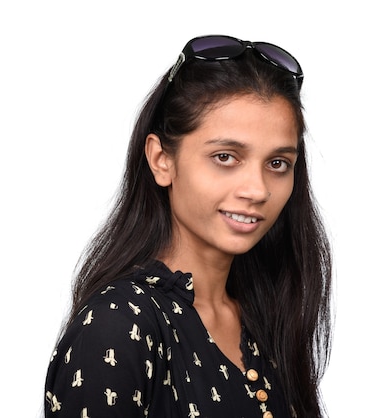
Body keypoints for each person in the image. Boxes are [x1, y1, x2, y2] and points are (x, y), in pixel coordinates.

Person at [44, 34, 333, 418]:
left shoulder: (267, 315)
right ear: (162, 159)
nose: (258, 189)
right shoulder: (118, 324)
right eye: (226, 156)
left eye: (278, 163)